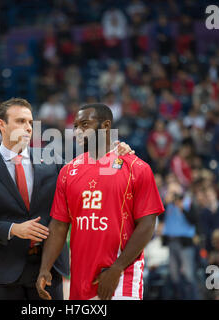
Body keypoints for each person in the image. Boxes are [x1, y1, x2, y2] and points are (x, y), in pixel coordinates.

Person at [0, 97, 135, 300]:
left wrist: (115, 156)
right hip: (3, 270)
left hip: (49, 269)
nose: (27, 127)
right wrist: (13, 229)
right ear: (2, 125)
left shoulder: (52, 159)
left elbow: (90, 183)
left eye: (30, 122)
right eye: (20, 121)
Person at [36, 103, 164, 300]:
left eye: (85, 124)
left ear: (106, 126)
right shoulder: (68, 171)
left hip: (122, 276)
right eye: (76, 126)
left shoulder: (136, 168)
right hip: (80, 278)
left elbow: (147, 224)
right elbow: (59, 225)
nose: (78, 131)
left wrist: (117, 269)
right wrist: (45, 268)